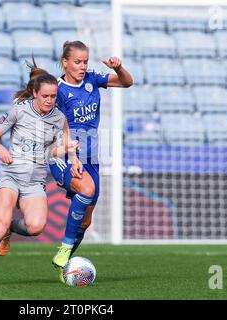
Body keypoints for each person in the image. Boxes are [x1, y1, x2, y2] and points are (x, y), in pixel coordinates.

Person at [0, 62, 79, 286]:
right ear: (34, 93)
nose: (49, 100)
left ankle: (10, 229)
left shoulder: (59, 119)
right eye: (45, 96)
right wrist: (2, 149)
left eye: (53, 96)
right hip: (11, 175)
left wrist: (71, 152)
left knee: (36, 227)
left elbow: (55, 150)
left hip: (35, 181)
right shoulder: (19, 111)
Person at [49, 41, 133, 282]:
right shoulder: (58, 90)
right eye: (77, 62)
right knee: (86, 189)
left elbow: (127, 82)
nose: (83, 66)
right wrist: (71, 155)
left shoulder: (92, 80)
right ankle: (65, 250)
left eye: (85, 61)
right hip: (65, 155)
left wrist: (118, 68)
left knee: (85, 221)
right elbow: (60, 127)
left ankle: (63, 264)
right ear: (65, 62)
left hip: (91, 158)